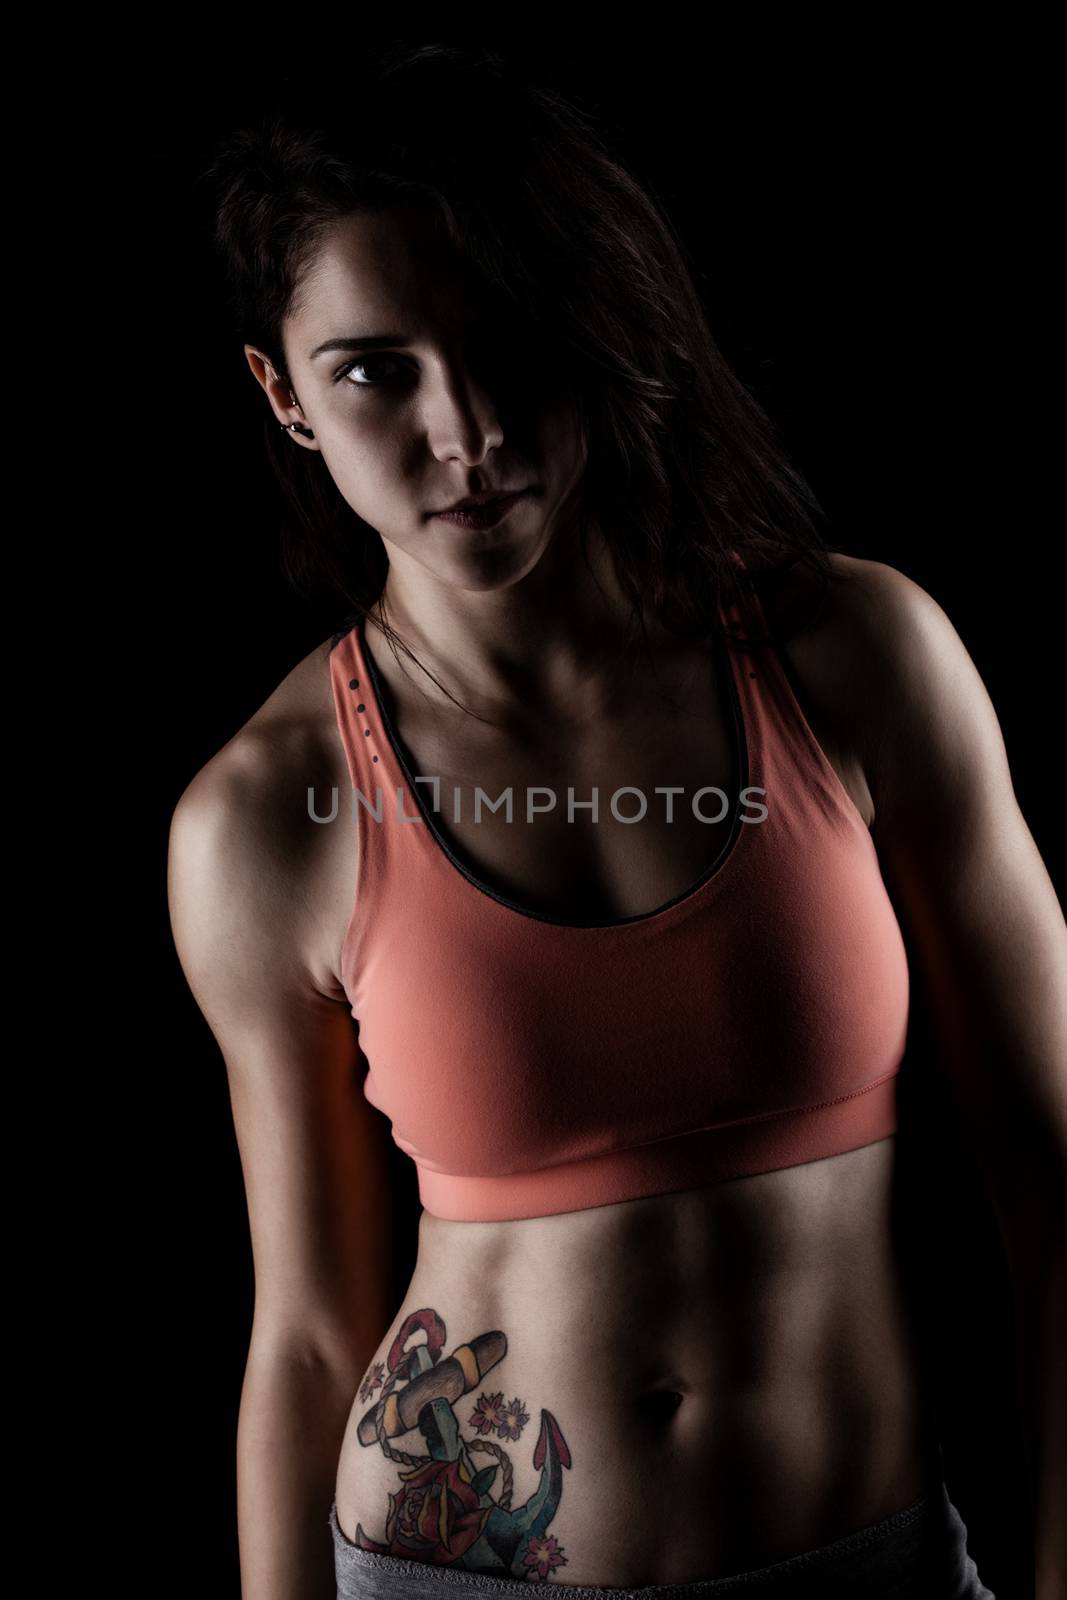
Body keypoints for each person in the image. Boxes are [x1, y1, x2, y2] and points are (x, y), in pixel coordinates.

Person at [168, 44, 1064, 1600]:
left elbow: (1058, 1188)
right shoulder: (262, 820)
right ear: (284, 396)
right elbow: (309, 1336)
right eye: (375, 368)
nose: (465, 429)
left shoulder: (851, 657)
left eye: (503, 335)